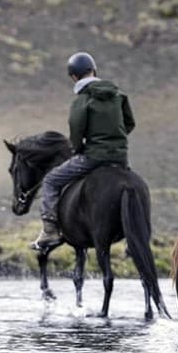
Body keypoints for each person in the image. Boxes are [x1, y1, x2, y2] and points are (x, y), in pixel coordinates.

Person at [30, 52, 136, 250]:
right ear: (94, 70)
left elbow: (76, 132)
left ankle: (50, 232)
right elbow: (129, 123)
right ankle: (134, 235)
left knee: (51, 180)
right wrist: (114, 140)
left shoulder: (81, 101)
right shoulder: (119, 95)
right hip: (120, 157)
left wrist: (81, 149)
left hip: (94, 157)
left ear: (74, 77)